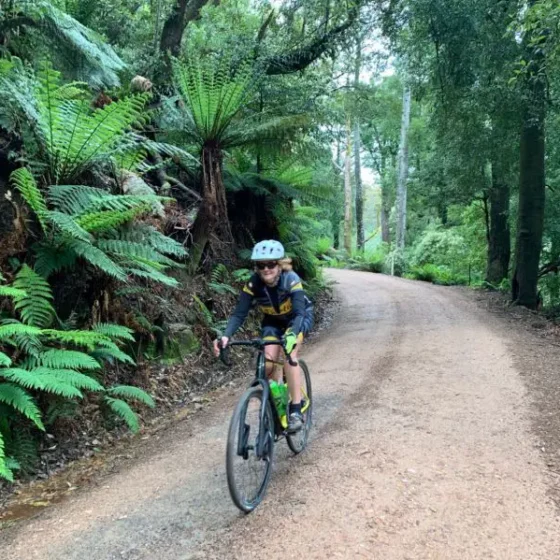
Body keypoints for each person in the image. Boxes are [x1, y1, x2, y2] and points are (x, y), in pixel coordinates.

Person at [213, 240, 313, 433]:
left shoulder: (291, 279)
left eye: (271, 264)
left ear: (279, 264)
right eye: (261, 265)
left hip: (297, 319)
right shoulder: (253, 283)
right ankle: (276, 406)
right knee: (268, 364)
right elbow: (239, 314)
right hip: (273, 321)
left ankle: (295, 410)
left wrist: (292, 335)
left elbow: (300, 313)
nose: (266, 269)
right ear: (256, 267)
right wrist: (225, 336)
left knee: (289, 357)